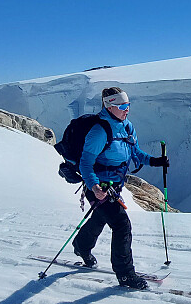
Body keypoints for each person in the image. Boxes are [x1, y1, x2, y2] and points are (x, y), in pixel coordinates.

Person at [70, 87, 169, 290]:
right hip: (98, 185)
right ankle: (125, 275)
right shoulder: (99, 131)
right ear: (109, 105)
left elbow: (135, 152)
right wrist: (95, 187)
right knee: (122, 225)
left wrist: (155, 161)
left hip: (114, 185)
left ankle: (81, 246)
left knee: (100, 218)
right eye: (122, 106)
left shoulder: (126, 126)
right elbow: (85, 164)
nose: (127, 110)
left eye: (128, 105)